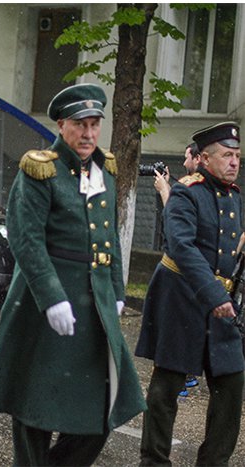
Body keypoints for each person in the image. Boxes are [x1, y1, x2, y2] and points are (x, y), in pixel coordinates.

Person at [0, 84, 146, 465]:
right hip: (45, 302)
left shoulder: (103, 169)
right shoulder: (41, 169)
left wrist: (116, 289)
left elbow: (109, 235)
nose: (88, 134)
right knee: (33, 403)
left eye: (94, 125)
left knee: (105, 404)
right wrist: (52, 296)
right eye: (79, 125)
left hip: (94, 304)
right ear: (61, 125)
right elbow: (26, 239)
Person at [135, 122, 243, 466]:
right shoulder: (186, 192)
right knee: (166, 387)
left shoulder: (234, 196)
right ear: (205, 159)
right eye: (227, 155)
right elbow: (181, 246)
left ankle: (213, 462)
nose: (234, 162)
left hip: (221, 305)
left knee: (231, 384)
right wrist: (215, 294)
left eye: (238, 156)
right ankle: (153, 460)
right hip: (182, 299)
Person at [152, 142, 201, 397]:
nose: (184, 163)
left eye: (187, 157)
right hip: (194, 270)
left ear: (197, 157)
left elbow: (176, 221)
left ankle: (180, 379)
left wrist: (164, 190)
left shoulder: (192, 186)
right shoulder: (195, 186)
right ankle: (188, 375)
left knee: (176, 326)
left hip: (182, 270)